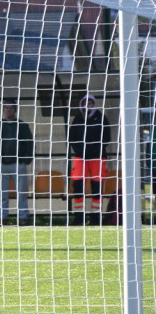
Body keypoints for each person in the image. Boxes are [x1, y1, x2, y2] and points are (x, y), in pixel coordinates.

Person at [0, 100, 34, 225]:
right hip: (1, 165)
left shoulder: (22, 126)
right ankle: (2, 219)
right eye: (6, 108)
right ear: (3, 110)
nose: (8, 110)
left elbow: (29, 143)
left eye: (11, 108)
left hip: (18, 164)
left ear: (15, 110)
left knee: (21, 195)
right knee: (2, 195)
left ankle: (23, 218)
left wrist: (26, 160)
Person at [68, 93, 111, 225]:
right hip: (80, 157)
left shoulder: (101, 117)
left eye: (90, 103)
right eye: (85, 103)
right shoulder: (77, 118)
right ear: (81, 104)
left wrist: (94, 150)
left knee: (97, 187)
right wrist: (79, 150)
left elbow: (106, 138)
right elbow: (72, 138)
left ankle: (95, 217)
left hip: (97, 157)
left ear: (94, 104)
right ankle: (78, 217)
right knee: (78, 186)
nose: (87, 106)